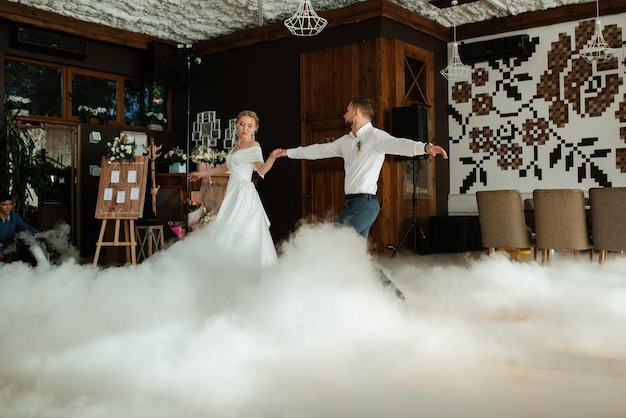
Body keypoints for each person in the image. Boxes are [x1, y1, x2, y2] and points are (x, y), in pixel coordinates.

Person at [273, 97, 449, 298]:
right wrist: (288, 153)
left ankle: (324, 293)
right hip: (352, 204)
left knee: (333, 244)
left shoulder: (375, 137)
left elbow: (398, 144)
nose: (344, 114)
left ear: (356, 112)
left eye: (347, 110)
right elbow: (317, 151)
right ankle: (389, 294)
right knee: (356, 257)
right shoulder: (346, 141)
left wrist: (425, 147)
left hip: (365, 205)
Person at [188, 110, 279, 267]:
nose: (245, 128)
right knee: (228, 228)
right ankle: (228, 267)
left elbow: (261, 170)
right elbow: (225, 168)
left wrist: (272, 157)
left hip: (243, 192)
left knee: (239, 228)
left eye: (249, 126)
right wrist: (202, 174)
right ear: (236, 125)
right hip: (233, 190)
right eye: (242, 124)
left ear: (255, 128)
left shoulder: (254, 146)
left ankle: (243, 268)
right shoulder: (236, 147)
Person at [0, 192, 39, 264]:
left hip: (8, 248)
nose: (8, 207)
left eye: (10, 204)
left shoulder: (14, 217)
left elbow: (25, 227)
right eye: (4, 205)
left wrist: (38, 233)